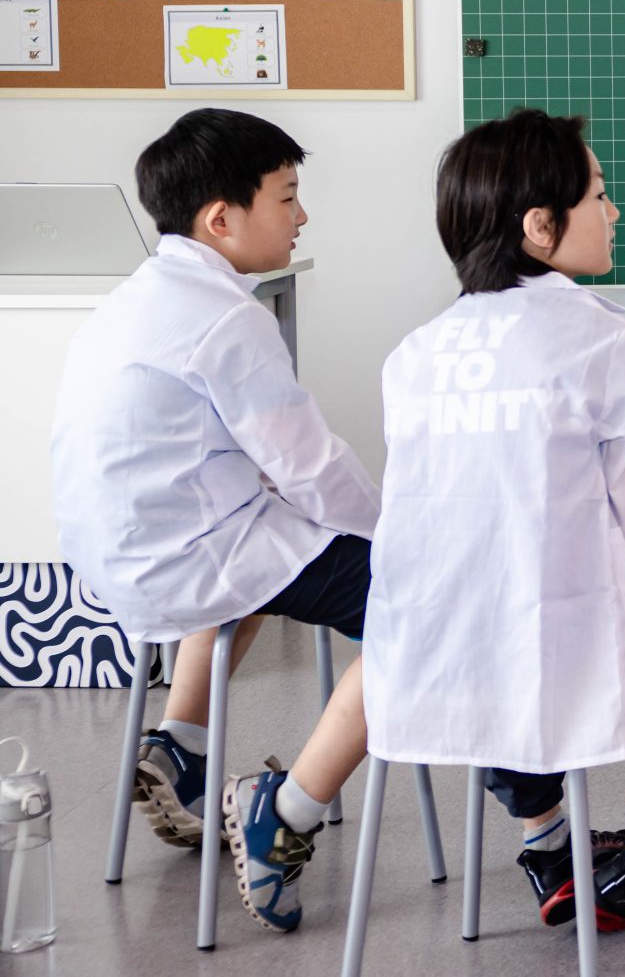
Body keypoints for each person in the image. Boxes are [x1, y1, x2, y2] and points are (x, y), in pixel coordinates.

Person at [368, 110, 625, 934]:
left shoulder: (413, 353)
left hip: (426, 642)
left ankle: (548, 838)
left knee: (488, 628)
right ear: (540, 226)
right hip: (568, 625)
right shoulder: (604, 342)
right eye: (598, 194)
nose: (613, 210)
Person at [50, 109, 380, 933]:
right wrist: (402, 534)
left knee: (269, 542)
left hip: (111, 554)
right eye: (287, 198)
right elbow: (311, 466)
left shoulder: (133, 296)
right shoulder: (231, 318)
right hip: (186, 556)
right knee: (428, 606)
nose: (302, 216)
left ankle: (181, 746)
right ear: (221, 219)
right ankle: (286, 811)